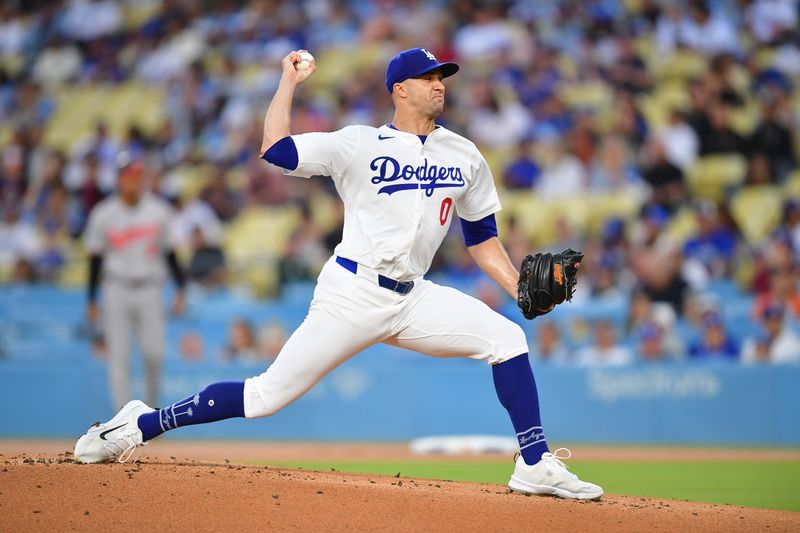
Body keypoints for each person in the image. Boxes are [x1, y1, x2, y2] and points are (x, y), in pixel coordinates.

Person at [74, 48, 602, 500]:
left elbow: (481, 238)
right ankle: (140, 424)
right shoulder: (358, 143)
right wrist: (288, 82)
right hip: (351, 292)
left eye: (443, 77)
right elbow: (276, 150)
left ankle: (533, 463)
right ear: (400, 89)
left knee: (508, 337)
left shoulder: (463, 154)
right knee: (264, 398)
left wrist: (518, 291)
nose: (440, 85)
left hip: (413, 298)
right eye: (429, 78)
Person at [83, 157, 186, 410]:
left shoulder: (159, 211)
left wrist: (181, 289)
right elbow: (95, 259)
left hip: (150, 287)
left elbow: (170, 253)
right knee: (119, 357)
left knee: (154, 354)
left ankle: (149, 415)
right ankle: (122, 422)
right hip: (115, 287)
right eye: (129, 176)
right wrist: (91, 299)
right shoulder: (103, 214)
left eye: (138, 176)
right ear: (119, 180)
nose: (134, 181)